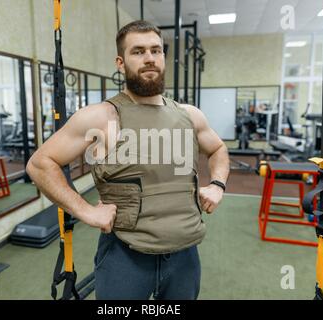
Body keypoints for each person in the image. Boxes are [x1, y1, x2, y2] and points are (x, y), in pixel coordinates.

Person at [27, 20, 230, 300]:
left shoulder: (190, 115)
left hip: (185, 255)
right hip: (126, 256)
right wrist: (85, 210)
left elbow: (218, 149)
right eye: (138, 51)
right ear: (121, 63)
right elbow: (40, 164)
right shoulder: (101, 116)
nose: (149, 58)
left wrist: (217, 184)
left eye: (156, 51)